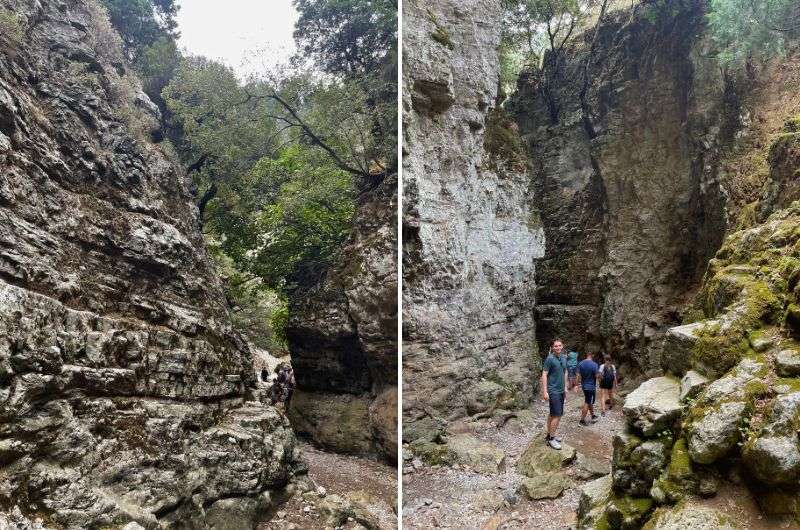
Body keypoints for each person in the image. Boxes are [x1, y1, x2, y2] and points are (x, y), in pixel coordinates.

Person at [541, 339, 568, 450]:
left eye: (559, 345)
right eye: (555, 346)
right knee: (557, 415)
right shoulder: (550, 359)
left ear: (562, 346)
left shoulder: (563, 357)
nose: (558, 347)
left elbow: (565, 372)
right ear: (552, 347)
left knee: (552, 414)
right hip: (553, 391)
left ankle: (549, 435)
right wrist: (545, 391)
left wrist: (566, 387)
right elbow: (544, 374)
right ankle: (552, 439)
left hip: (561, 390)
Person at [576, 352, 599, 425]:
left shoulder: (580, 363)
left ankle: (592, 415)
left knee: (589, 400)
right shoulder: (594, 365)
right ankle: (582, 420)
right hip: (591, 386)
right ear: (592, 355)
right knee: (587, 402)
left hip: (584, 386)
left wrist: (576, 385)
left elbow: (578, 375)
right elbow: (597, 376)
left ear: (587, 355)